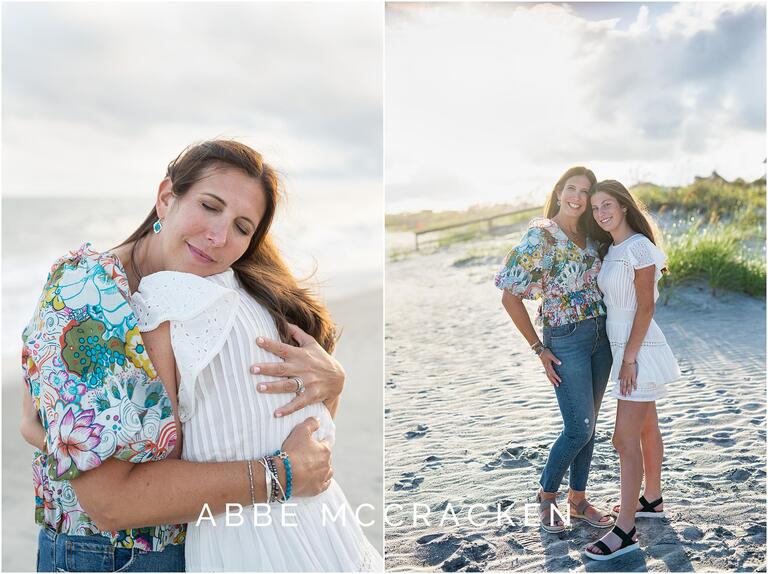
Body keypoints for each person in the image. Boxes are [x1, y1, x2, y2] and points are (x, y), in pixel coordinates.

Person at [21, 140, 377, 572]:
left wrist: (331, 384)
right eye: (209, 206)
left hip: (211, 541)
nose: (218, 237)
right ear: (166, 197)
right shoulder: (89, 294)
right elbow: (110, 501)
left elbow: (291, 435)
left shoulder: (219, 292)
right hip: (111, 557)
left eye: (242, 227)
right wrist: (281, 475)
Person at [494, 166, 614, 532]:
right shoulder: (541, 236)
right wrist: (538, 348)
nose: (577, 196)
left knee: (590, 425)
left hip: (601, 337)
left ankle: (578, 500)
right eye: (571, 188)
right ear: (559, 191)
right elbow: (509, 296)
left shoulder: (592, 235)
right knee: (578, 428)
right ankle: (547, 497)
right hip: (566, 338)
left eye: (585, 191)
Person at [583, 180, 680, 561]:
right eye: (595, 208)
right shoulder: (612, 249)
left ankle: (625, 529)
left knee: (623, 440)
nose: (601, 213)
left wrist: (628, 359)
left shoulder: (638, 247)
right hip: (627, 348)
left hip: (638, 353)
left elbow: (646, 307)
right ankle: (651, 499)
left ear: (624, 206)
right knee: (645, 427)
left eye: (607, 204)